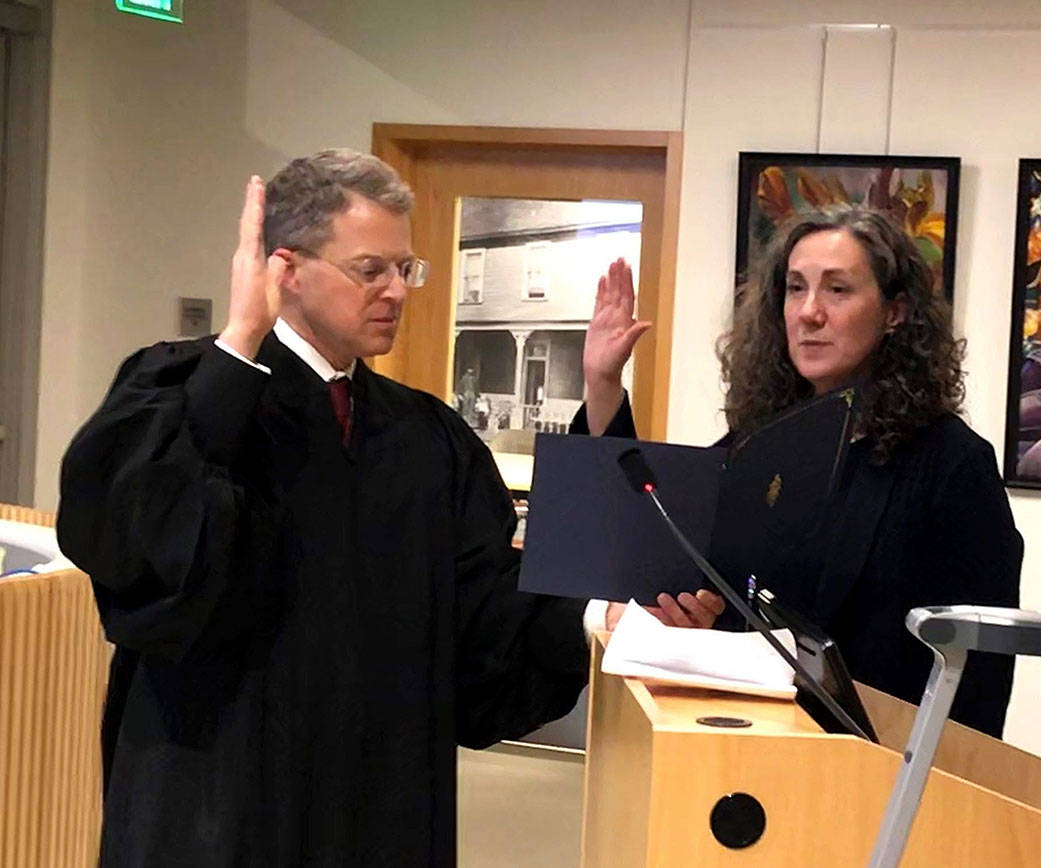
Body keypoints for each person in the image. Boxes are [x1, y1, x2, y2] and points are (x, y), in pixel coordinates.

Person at [56, 149, 715, 866]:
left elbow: (486, 615)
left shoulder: (426, 438)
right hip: (218, 799)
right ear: (286, 270)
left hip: (380, 804)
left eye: (406, 270)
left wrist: (597, 613)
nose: (397, 291)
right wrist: (241, 337)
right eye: (370, 270)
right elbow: (140, 551)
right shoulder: (178, 396)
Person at [576, 205, 1022, 738]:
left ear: (895, 312)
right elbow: (653, 526)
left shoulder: (949, 462)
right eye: (794, 288)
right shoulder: (763, 442)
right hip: (749, 743)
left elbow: (978, 668)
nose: (808, 312)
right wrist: (603, 383)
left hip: (876, 763)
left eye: (837, 290)